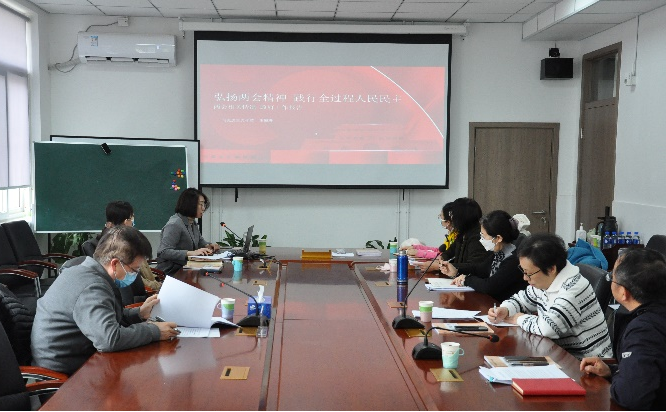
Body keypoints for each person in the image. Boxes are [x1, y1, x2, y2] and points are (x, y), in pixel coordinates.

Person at [31, 226, 179, 376]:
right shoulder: (92, 286)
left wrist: (139, 313)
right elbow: (109, 339)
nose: (135, 275)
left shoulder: (85, 270)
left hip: (80, 358)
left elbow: (106, 318)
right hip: (65, 374)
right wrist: (154, 331)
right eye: (134, 270)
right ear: (115, 264)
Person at [488, 233, 612, 360]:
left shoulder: (573, 289)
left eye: (529, 273)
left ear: (551, 269)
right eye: (523, 271)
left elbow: (548, 327)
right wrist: (506, 309)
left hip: (588, 363)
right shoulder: (546, 281)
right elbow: (522, 300)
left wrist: (519, 318)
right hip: (560, 354)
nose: (525, 278)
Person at [580, 248, 666, 410]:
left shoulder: (644, 331)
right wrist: (614, 371)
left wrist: (621, 378)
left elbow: (632, 396)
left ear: (623, 292)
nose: (611, 281)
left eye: (612, 277)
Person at [446, 210, 528, 302]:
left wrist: (466, 279)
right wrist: (456, 269)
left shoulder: (514, 260)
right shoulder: (499, 253)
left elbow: (489, 286)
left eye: (484, 236)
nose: (481, 239)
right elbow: (479, 269)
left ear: (498, 238)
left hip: (505, 306)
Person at [88, 201, 162, 292]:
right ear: (126, 222)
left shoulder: (108, 239)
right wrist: (157, 286)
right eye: (132, 218)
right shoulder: (123, 244)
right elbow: (136, 278)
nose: (133, 222)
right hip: (143, 292)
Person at [156, 188, 220, 275]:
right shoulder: (175, 224)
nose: (203, 208)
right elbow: (163, 252)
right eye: (201, 204)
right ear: (190, 204)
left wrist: (208, 245)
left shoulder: (191, 221)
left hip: (187, 268)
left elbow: (199, 241)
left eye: (204, 204)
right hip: (172, 272)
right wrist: (190, 253)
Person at [436, 197, 492, 277]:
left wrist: (448, 266)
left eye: (453, 215)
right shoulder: (463, 233)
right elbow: (451, 250)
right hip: (460, 279)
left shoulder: (478, 237)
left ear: (461, 218)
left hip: (471, 280)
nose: (452, 219)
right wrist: (443, 257)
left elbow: (474, 266)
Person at [404, 202, 456, 273]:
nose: (440, 219)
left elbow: (442, 256)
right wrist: (416, 247)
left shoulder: (456, 237)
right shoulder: (451, 234)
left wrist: (418, 253)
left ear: (448, 222)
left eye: (441, 217)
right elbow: (439, 251)